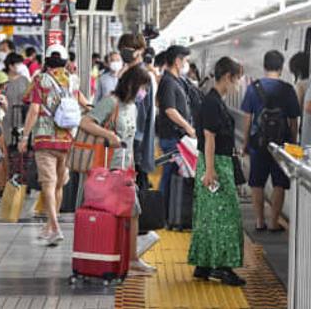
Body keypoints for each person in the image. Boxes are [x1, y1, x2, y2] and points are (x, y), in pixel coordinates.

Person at [78, 65, 157, 275]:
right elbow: (85, 122)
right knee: (126, 212)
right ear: (132, 84)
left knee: (131, 212)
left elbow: (130, 140)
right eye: (142, 87)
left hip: (125, 170)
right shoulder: (111, 102)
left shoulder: (132, 106)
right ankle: (122, 258)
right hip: (107, 169)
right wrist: (109, 135)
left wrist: (132, 167)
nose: (144, 93)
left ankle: (127, 257)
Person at [188, 56, 246, 286]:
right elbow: (209, 138)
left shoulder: (214, 100)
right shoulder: (212, 103)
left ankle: (203, 264)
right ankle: (223, 267)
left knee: (208, 216)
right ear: (228, 77)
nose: (239, 85)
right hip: (216, 166)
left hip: (215, 162)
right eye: (238, 80)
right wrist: (210, 171)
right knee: (227, 217)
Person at [19, 44, 76, 245]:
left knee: (48, 185)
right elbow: (83, 103)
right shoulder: (71, 80)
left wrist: (24, 137)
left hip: (44, 140)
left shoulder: (40, 80)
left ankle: (55, 228)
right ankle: (50, 225)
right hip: (67, 139)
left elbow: (33, 109)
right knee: (58, 184)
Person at [241, 50, 301, 232]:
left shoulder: (253, 88)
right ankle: (274, 222)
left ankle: (259, 221)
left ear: (264, 66)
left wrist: (245, 143)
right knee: (279, 184)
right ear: (281, 68)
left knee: (257, 183)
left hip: (258, 144)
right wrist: (292, 143)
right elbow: (293, 121)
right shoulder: (288, 89)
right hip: (281, 145)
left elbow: (248, 118)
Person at [156, 45, 195, 205]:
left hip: (175, 136)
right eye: (185, 60)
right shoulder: (168, 82)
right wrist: (188, 127)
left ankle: (166, 210)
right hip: (172, 137)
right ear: (177, 61)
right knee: (169, 173)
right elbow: (170, 110)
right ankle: (162, 211)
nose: (186, 63)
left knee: (171, 173)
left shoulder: (173, 81)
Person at [2, 52, 31, 145]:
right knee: (6, 143)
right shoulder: (3, 80)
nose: (21, 66)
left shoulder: (24, 80)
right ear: (10, 66)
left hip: (21, 117)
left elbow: (29, 97)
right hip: (5, 118)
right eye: (18, 64)